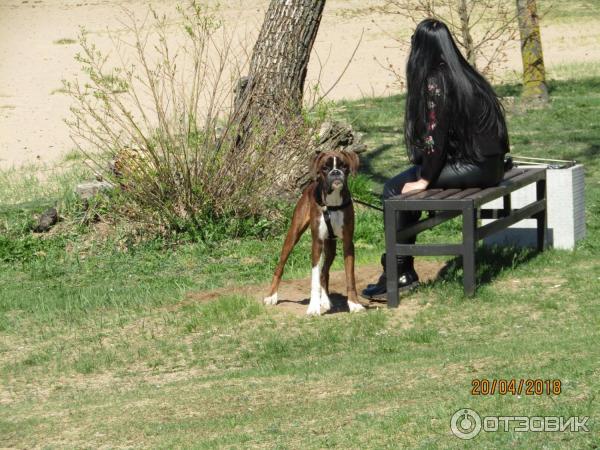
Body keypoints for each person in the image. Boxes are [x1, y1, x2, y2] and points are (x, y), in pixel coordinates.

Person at [362, 18, 510, 300]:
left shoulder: (436, 81)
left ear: (421, 49)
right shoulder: (464, 74)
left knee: (394, 189)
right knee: (408, 181)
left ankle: (398, 270)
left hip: (474, 167)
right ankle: (399, 267)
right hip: (491, 166)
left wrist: (425, 179)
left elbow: (435, 138)